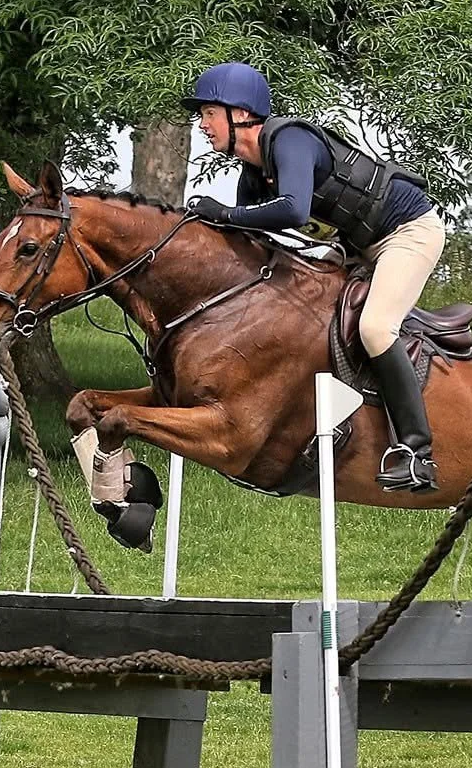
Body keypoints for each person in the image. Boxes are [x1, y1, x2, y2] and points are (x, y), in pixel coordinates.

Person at [180, 61, 444, 493]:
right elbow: (248, 238)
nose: (203, 125)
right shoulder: (253, 175)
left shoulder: (291, 140)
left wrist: (223, 212)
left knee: (376, 328)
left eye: (208, 113)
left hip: (407, 232)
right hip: (355, 246)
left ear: (240, 113)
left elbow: (294, 210)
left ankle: (416, 452)